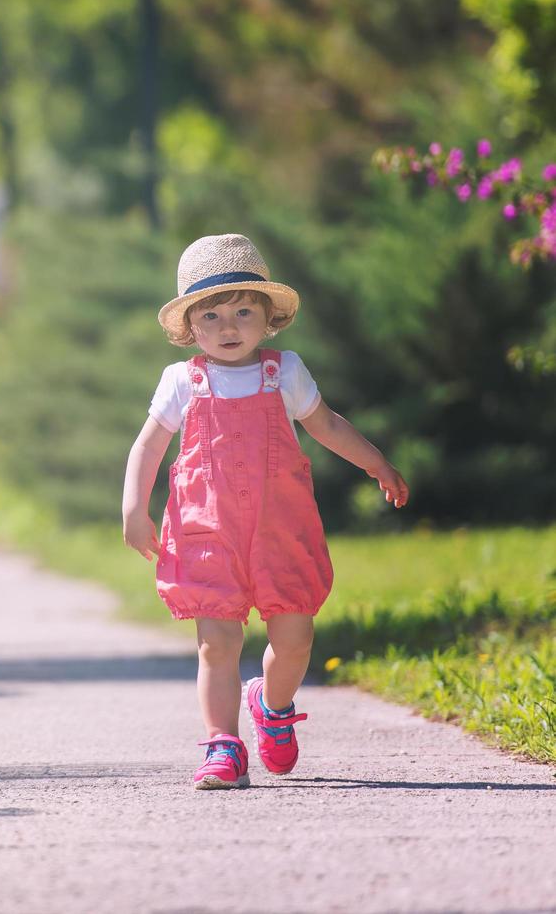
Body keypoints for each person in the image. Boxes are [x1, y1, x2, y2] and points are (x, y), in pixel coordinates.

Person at [121, 233, 408, 790]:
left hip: (282, 530)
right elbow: (148, 445)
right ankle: (221, 745)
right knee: (218, 642)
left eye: (243, 311)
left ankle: (272, 707)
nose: (229, 327)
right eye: (213, 315)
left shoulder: (286, 372)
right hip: (209, 532)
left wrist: (376, 463)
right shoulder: (183, 382)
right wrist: (135, 506)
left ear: (267, 317)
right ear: (192, 327)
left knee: (296, 637)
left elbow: (327, 425)